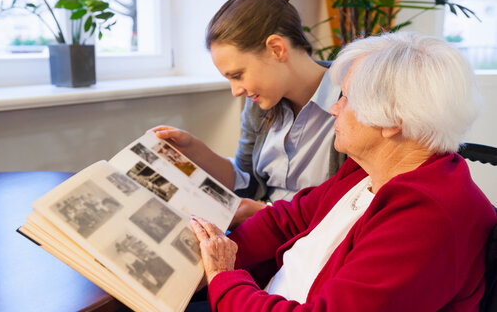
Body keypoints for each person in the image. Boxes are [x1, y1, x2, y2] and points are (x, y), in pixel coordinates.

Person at [188, 31, 497, 311]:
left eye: (346, 98)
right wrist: (203, 266)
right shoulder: (368, 169)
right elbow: (286, 220)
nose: (335, 108)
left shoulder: (427, 219)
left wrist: (223, 279)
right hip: (260, 296)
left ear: (393, 120)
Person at [152, 0, 345, 227]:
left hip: (315, 241)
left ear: (276, 49)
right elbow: (248, 181)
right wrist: (192, 149)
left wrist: (265, 213)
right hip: (264, 232)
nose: (236, 91)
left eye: (238, 75)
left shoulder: (354, 100)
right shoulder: (260, 107)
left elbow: (354, 204)